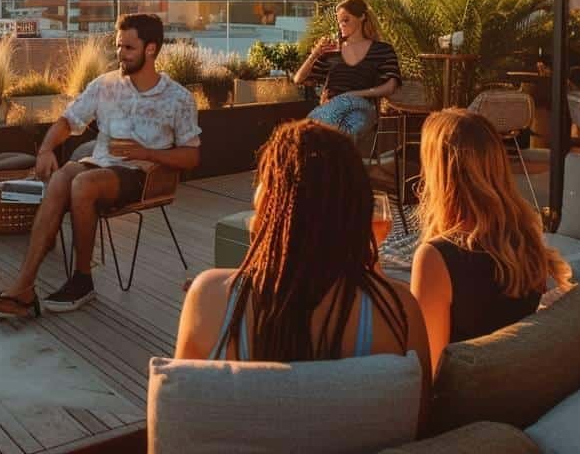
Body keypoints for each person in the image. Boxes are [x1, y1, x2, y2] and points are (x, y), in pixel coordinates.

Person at [174, 121, 430, 413]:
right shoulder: (400, 311)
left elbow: (184, 415)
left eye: (263, 180)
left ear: (274, 199)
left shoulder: (211, 298)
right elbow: (420, 426)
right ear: (357, 205)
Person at [0, 13, 201, 317]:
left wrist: (148, 152)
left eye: (128, 48)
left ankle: (82, 278)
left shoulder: (178, 98)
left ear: (151, 49)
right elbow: (68, 120)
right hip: (99, 164)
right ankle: (24, 287)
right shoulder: (106, 85)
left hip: (143, 174)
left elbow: (192, 157)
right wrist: (47, 149)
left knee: (81, 183)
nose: (120, 54)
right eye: (118, 46)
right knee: (63, 176)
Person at [410, 109, 570, 372]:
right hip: (514, 387)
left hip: (467, 401)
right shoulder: (523, 240)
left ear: (439, 174)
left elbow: (430, 369)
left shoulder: (436, 257)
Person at [294, 0, 401, 140]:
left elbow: (390, 87)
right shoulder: (332, 53)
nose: (341, 25)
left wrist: (353, 95)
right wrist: (315, 54)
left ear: (362, 17)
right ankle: (339, 159)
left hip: (363, 105)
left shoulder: (382, 50)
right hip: (333, 109)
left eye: (346, 20)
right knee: (343, 134)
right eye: (339, 22)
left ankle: (305, 133)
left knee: (322, 126)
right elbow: (299, 79)